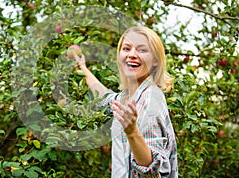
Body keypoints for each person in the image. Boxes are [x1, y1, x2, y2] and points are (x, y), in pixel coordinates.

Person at [72, 26, 178, 177]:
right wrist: (82, 67)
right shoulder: (128, 96)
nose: (132, 55)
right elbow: (106, 98)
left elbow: (154, 171)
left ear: (155, 60)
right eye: (126, 48)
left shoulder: (150, 99)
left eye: (142, 50)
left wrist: (132, 132)